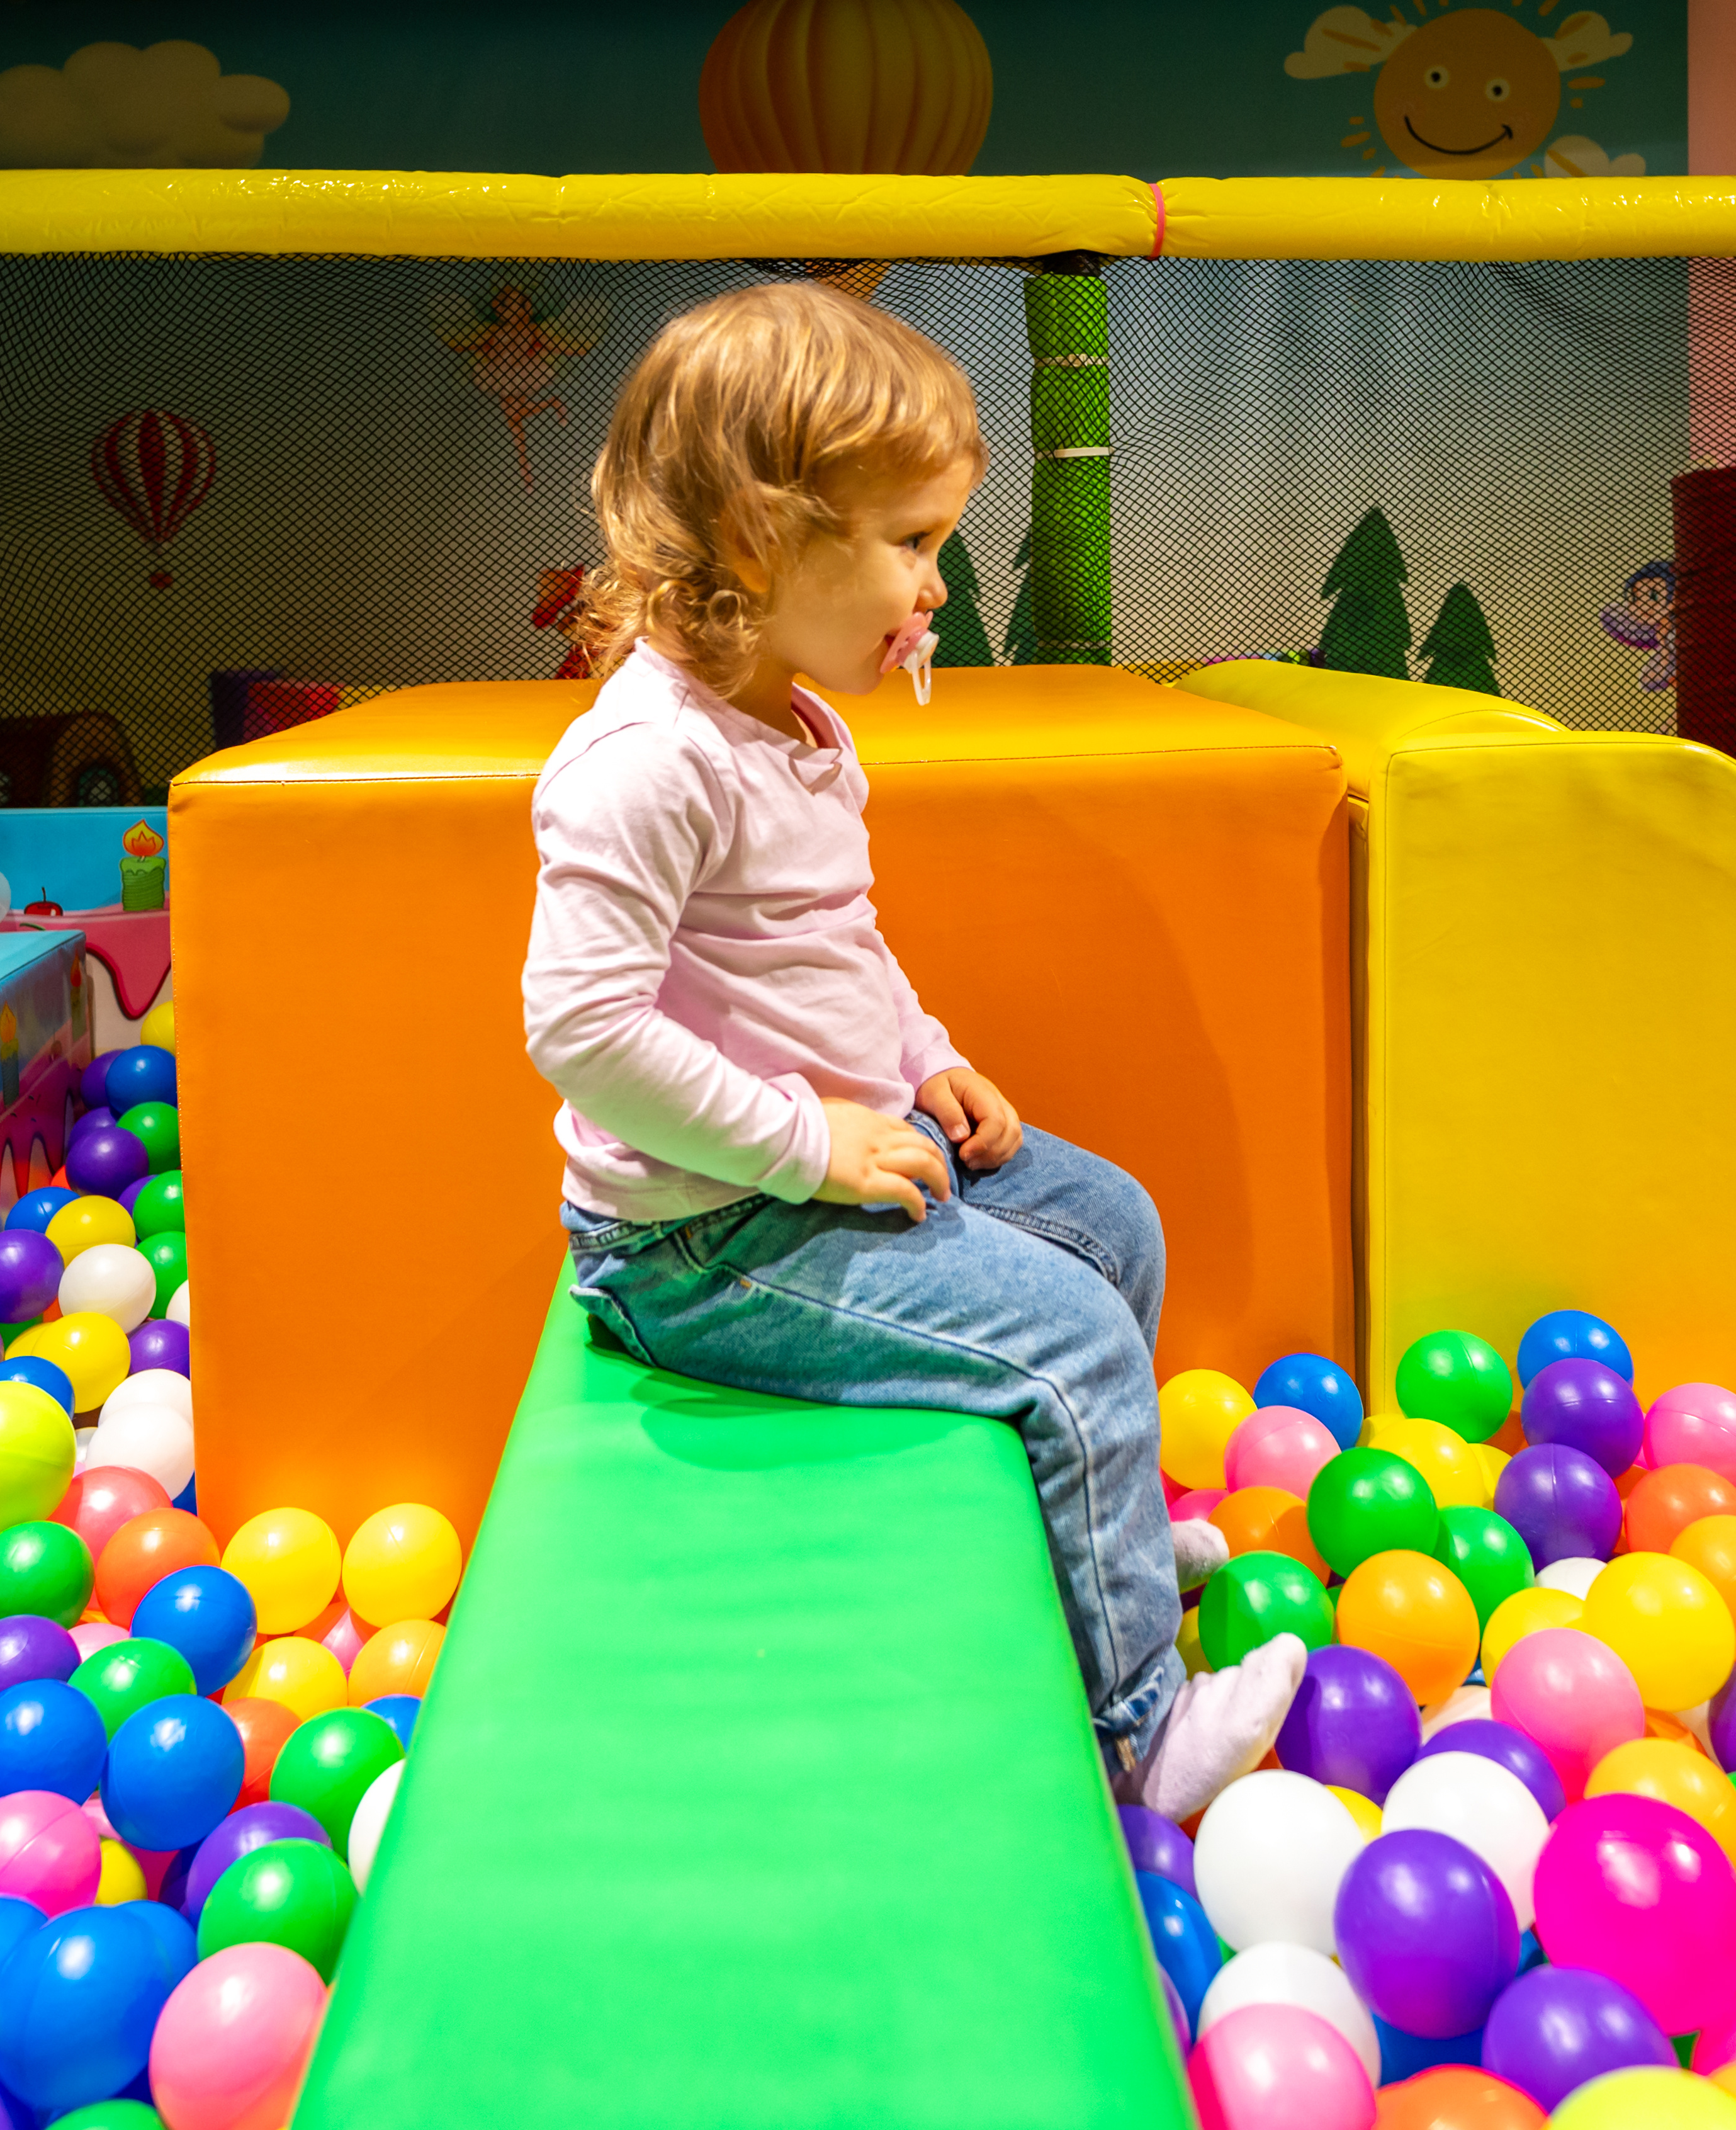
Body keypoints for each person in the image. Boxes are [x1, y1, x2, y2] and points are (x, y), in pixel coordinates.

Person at [521, 282, 1300, 1820]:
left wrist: (924, 1055)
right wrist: (810, 1142)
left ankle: (1104, 1537)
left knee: (1113, 1224)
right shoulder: (644, 760)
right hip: (702, 1235)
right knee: (1072, 1340)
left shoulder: (803, 723)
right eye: (913, 543)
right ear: (761, 545)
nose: (939, 586)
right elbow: (582, 1028)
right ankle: (1141, 1726)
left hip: (834, 1151)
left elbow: (832, 940)